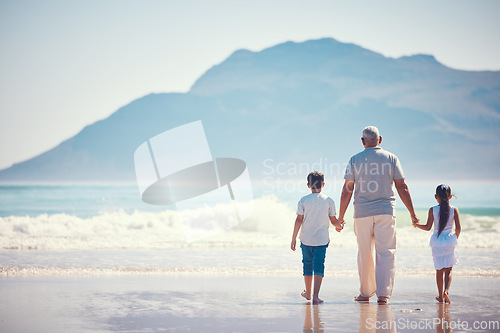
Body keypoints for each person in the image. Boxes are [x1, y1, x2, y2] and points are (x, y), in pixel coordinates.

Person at [338, 126, 419, 304]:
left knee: (364, 252)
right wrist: (412, 213)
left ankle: (365, 293)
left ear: (362, 141)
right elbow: (402, 186)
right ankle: (383, 295)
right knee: (387, 253)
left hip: (362, 213)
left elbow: (347, 189)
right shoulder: (391, 158)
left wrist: (340, 217)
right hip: (386, 212)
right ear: (380, 139)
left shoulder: (355, 159)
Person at [291, 171, 344, 304]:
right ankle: (315, 295)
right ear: (323, 184)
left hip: (306, 239)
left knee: (307, 264)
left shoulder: (303, 200)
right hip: (321, 240)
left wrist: (293, 238)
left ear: (308, 185)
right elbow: (333, 221)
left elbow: (298, 220)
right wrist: (339, 225)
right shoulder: (329, 200)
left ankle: (308, 293)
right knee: (319, 265)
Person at [413, 184, 461, 303]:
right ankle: (446, 291)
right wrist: (454, 238)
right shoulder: (454, 210)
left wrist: (416, 225)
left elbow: (428, 227)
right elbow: (458, 229)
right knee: (448, 270)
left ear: (436, 197)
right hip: (450, 240)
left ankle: (440, 296)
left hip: (437, 241)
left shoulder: (432, 209)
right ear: (450, 197)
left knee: (439, 270)